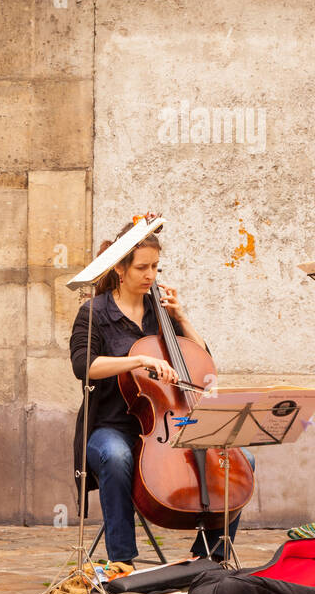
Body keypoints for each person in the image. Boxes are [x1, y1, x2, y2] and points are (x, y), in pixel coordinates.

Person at [69, 222, 253, 569]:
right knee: (116, 455)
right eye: (142, 267)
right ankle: (121, 562)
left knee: (240, 463)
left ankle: (208, 557)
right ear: (119, 270)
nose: (150, 275)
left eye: (155, 267)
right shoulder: (95, 313)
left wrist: (180, 317)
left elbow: (204, 363)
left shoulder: (161, 313)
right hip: (111, 425)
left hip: (168, 421)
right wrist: (137, 360)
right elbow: (85, 366)